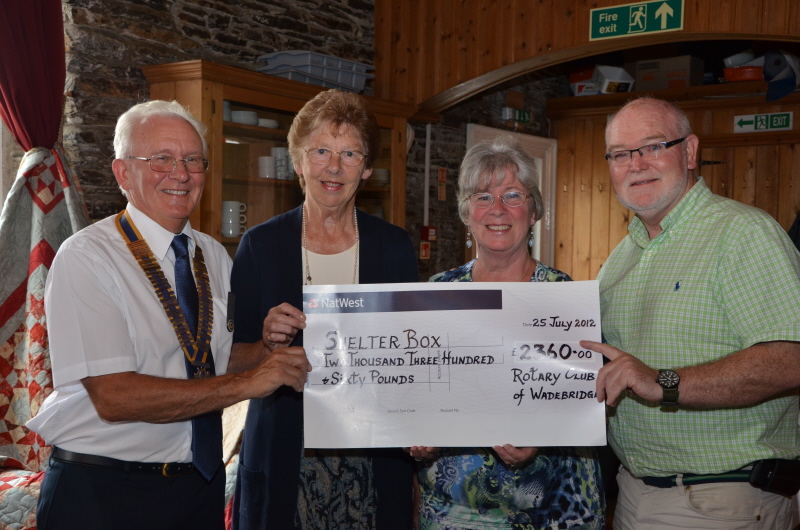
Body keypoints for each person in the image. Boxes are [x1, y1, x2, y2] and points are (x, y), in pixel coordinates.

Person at [27, 100, 311, 530]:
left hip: (197, 489)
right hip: (106, 493)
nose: (180, 173)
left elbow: (208, 360)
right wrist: (249, 383)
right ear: (123, 172)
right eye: (161, 158)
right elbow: (115, 396)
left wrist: (266, 350)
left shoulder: (214, 255)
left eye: (193, 160)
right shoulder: (88, 257)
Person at [580, 97, 800, 529]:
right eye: (621, 154)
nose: (637, 164)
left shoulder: (743, 233)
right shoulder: (621, 258)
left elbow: (790, 359)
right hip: (634, 492)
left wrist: (663, 381)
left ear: (690, 151)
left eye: (653, 146)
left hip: (721, 498)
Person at [231, 89, 418, 530]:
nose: (334, 167)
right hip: (283, 454)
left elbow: (412, 360)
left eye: (350, 153)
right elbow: (230, 361)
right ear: (297, 162)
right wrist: (266, 343)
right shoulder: (259, 246)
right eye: (320, 151)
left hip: (373, 458)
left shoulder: (394, 249)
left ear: (367, 169)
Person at [410, 135, 605, 530]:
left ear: (534, 211)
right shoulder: (436, 293)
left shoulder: (565, 297)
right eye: (483, 196)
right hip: (452, 513)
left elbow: (589, 400)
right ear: (466, 212)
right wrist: (414, 432)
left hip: (551, 511)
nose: (497, 209)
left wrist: (543, 438)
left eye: (513, 195)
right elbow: (415, 389)